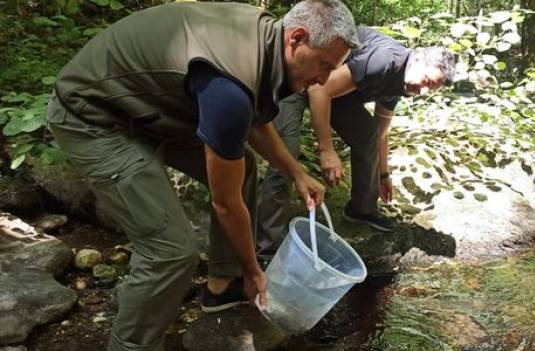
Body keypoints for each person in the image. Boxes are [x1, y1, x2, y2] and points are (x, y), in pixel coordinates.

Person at [46, 1, 360, 350]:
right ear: (297, 38)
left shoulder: (265, 40)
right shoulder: (230, 86)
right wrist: (255, 270)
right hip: (94, 116)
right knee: (170, 251)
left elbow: (253, 118)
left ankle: (222, 286)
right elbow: (226, 203)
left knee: (245, 169)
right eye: (324, 65)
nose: (325, 79)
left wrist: (297, 172)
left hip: (150, 108)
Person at [257, 26, 455, 253]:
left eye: (431, 89)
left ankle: (362, 210)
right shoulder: (384, 61)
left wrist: (383, 174)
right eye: (427, 80)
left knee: (367, 132)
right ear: (418, 59)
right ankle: (266, 246)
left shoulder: (404, 83)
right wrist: (326, 150)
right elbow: (319, 92)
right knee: (285, 154)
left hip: (335, 90)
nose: (422, 91)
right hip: (300, 78)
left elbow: (381, 130)